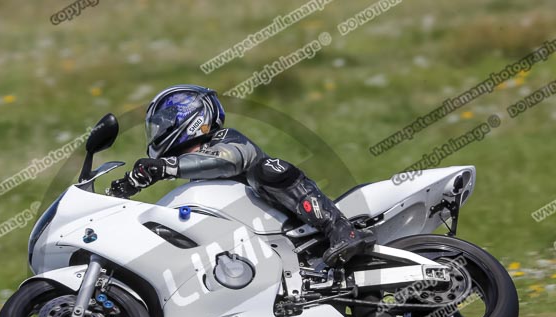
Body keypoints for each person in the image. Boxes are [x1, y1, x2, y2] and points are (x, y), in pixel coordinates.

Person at [110, 84, 375, 265]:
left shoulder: (225, 140)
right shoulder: (189, 174)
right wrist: (126, 188)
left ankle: (340, 229)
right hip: (254, 244)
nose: (159, 130)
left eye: (164, 122)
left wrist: (166, 167)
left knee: (268, 169)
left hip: (291, 225)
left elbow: (228, 160)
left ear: (189, 117)